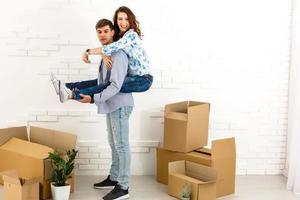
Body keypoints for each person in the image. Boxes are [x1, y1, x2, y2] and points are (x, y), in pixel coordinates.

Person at [57, 19, 133, 200]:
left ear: (113, 32)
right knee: (114, 143)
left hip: (120, 104)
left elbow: (115, 86)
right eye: (99, 32)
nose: (103, 35)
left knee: (122, 146)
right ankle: (114, 178)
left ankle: (123, 187)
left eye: (106, 31)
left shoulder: (119, 54)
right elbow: (101, 83)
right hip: (112, 105)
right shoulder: (107, 55)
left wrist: (93, 98)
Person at [51, 6, 153, 103]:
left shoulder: (132, 35)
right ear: (116, 21)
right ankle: (64, 86)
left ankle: (71, 95)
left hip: (143, 80)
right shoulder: (121, 37)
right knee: (98, 82)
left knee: (108, 85)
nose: (123, 23)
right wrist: (103, 55)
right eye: (120, 19)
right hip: (132, 77)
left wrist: (88, 52)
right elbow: (108, 48)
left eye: (126, 19)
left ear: (131, 20)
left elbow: (111, 48)